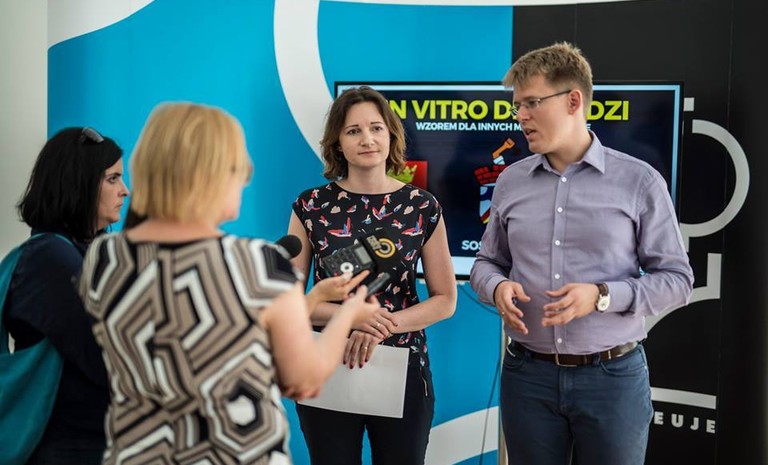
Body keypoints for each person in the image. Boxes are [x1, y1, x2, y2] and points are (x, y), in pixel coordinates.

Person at [77, 102, 381, 465]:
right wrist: (348, 315)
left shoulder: (103, 257)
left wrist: (313, 298)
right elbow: (304, 380)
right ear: (212, 173)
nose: (245, 179)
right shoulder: (260, 264)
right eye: (239, 167)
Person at [469, 42, 694, 465]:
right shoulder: (510, 182)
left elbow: (678, 281)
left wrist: (603, 296)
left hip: (612, 379)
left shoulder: (640, 181)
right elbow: (487, 263)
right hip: (527, 377)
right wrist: (496, 287)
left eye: (532, 103)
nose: (521, 116)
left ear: (574, 101)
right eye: (517, 106)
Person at [288, 86, 457, 465]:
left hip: (403, 366)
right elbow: (290, 301)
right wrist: (352, 316)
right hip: (326, 363)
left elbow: (446, 300)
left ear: (391, 135)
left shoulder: (422, 206)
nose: (367, 139)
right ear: (338, 143)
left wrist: (381, 325)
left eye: (376, 128)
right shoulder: (310, 206)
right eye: (354, 131)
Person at [3, 127, 129, 464]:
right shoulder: (49, 259)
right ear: (79, 183)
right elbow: (106, 356)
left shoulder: (81, 252)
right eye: (113, 179)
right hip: (66, 448)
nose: (125, 190)